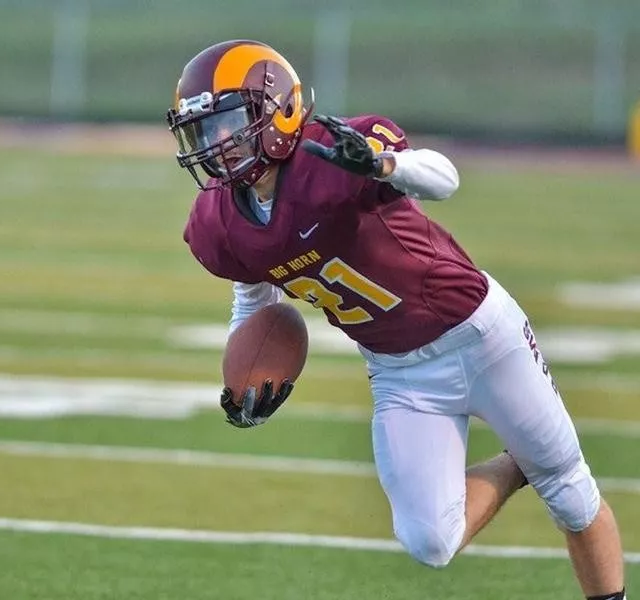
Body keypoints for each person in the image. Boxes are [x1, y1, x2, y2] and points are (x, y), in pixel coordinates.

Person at [166, 39, 627, 599]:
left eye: (227, 123)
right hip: (401, 375)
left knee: (572, 494)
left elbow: (445, 178)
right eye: (203, 132)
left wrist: (387, 164)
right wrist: (247, 380)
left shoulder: (330, 156)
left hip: (482, 337)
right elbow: (254, 290)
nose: (215, 146)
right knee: (429, 540)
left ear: (276, 107)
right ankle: (517, 463)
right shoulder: (219, 220)